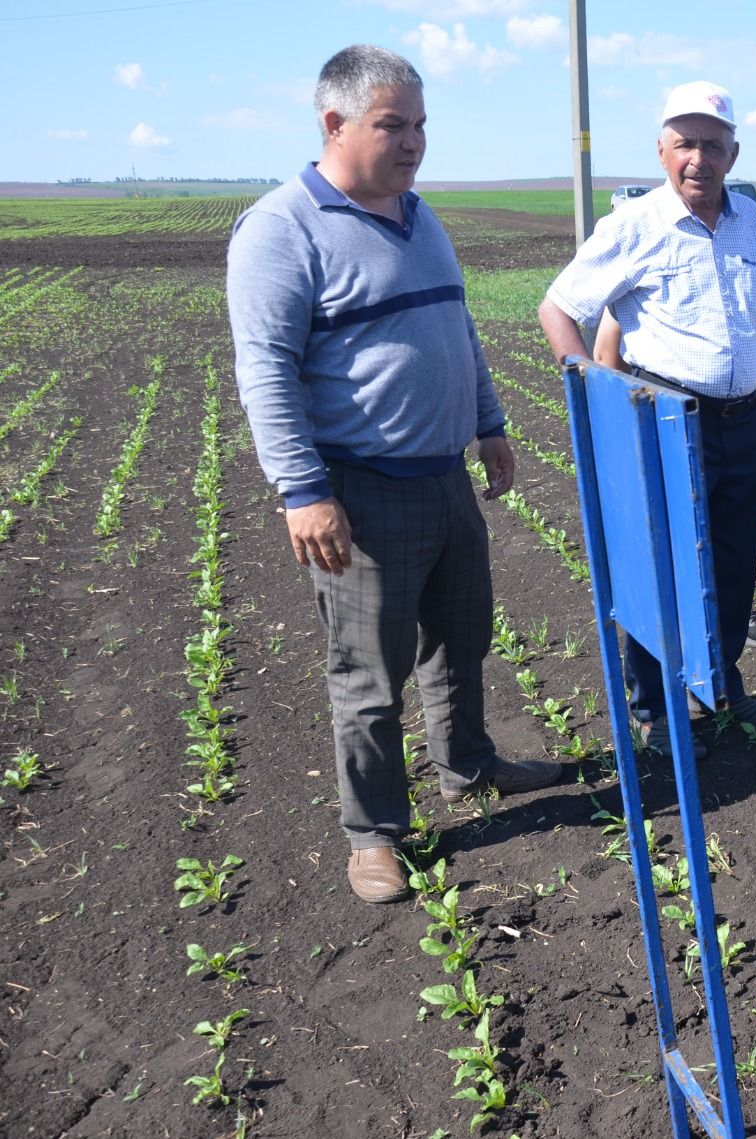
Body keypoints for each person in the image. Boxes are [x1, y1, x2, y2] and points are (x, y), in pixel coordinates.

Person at [226, 45, 561, 906]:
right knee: (369, 673)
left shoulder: (420, 215)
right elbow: (265, 369)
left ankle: (466, 763)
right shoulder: (281, 229)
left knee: (462, 636)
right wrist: (303, 490)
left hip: (444, 476)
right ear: (333, 123)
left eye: (419, 124)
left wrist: (488, 423)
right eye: (392, 125)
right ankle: (373, 833)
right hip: (362, 488)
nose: (413, 141)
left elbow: (460, 329)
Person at [539, 81, 756, 760]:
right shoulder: (634, 226)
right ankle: (655, 706)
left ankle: (720, 681)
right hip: (666, 417)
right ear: (661, 151)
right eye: (685, 143)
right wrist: (589, 387)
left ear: (733, 154)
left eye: (712, 144)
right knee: (660, 565)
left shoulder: (753, 225)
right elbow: (558, 309)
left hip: (745, 419)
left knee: (735, 556)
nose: (698, 158)